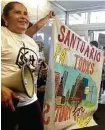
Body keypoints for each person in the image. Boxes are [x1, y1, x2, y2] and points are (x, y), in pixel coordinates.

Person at [1, 2, 54, 130]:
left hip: (30, 99)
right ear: (5, 18)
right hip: (5, 102)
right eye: (17, 12)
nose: (23, 16)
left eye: (25, 13)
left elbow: (32, 68)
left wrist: (41, 69)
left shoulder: (31, 42)